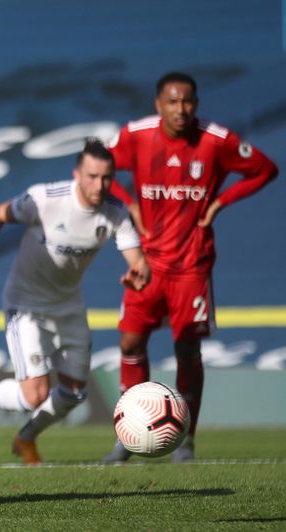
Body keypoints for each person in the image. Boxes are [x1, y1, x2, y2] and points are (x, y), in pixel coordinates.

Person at [102, 72, 278, 463]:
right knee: (130, 343)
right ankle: (127, 434)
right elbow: (95, 165)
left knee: (187, 347)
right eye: (173, 102)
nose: (181, 110)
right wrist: (126, 202)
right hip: (146, 263)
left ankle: (187, 439)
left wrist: (221, 201)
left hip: (191, 266)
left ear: (196, 104)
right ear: (158, 104)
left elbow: (265, 169)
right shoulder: (136, 135)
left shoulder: (217, 140)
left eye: (188, 102)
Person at [0, 139, 149, 465]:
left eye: (106, 178)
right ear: (77, 173)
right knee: (35, 394)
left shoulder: (116, 213)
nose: (99, 185)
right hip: (26, 303)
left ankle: (25, 438)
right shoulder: (44, 199)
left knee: (74, 392)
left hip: (69, 306)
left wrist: (138, 273)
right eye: (91, 176)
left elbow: (138, 261)